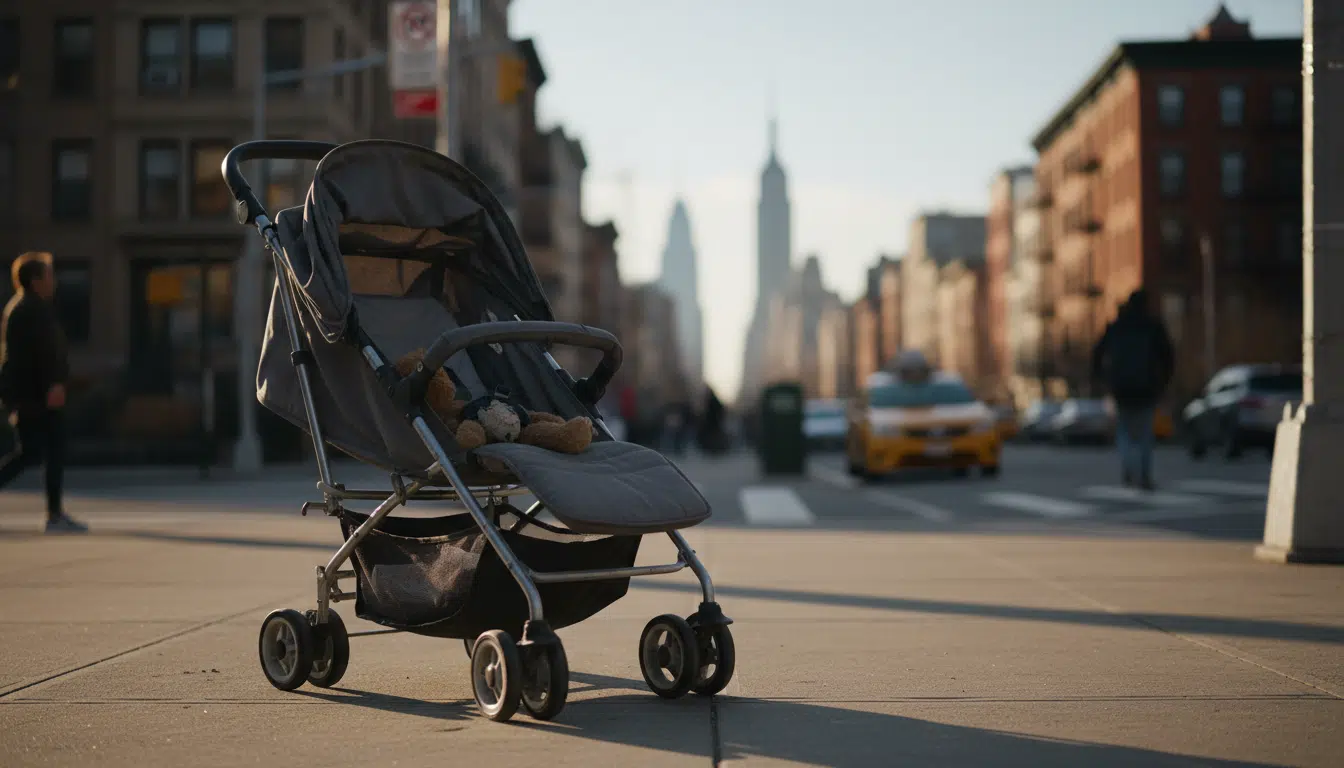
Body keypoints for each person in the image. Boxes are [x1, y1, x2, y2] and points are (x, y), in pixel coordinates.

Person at [0, 252, 85, 533]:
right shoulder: (28, 310)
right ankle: (55, 515)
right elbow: (35, 357)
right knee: (35, 453)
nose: (54, 281)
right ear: (36, 280)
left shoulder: (32, 308)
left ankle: (55, 513)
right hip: (37, 397)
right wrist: (53, 385)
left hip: (36, 395)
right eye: (49, 275)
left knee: (42, 452)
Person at [1091, 288, 1175, 491]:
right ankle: (1143, 474)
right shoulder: (1153, 326)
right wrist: (1163, 381)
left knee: (1125, 433)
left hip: (1121, 388)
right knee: (1145, 434)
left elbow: (1097, 353)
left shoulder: (1116, 326)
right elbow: (1168, 356)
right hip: (1146, 387)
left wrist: (1102, 378)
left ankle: (1130, 470)